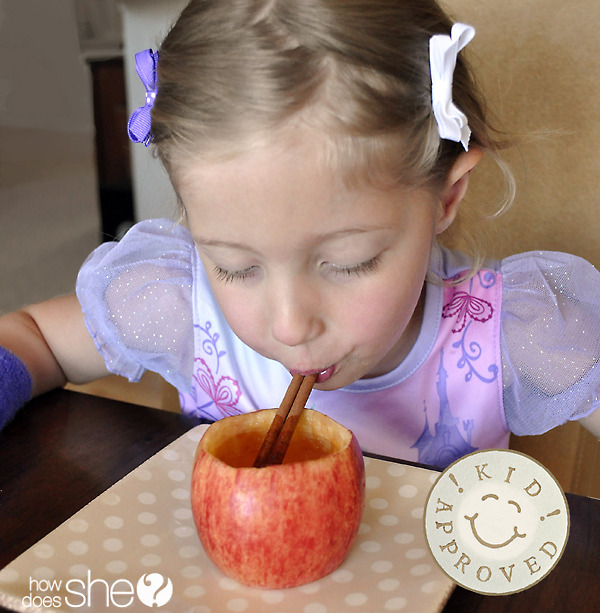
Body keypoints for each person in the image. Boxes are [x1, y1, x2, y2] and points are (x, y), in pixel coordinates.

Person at [1, 0, 599, 468]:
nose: (290, 325)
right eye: (236, 266)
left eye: (348, 262)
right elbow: (36, 336)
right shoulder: (179, 304)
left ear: (445, 196)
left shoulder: (513, 335)